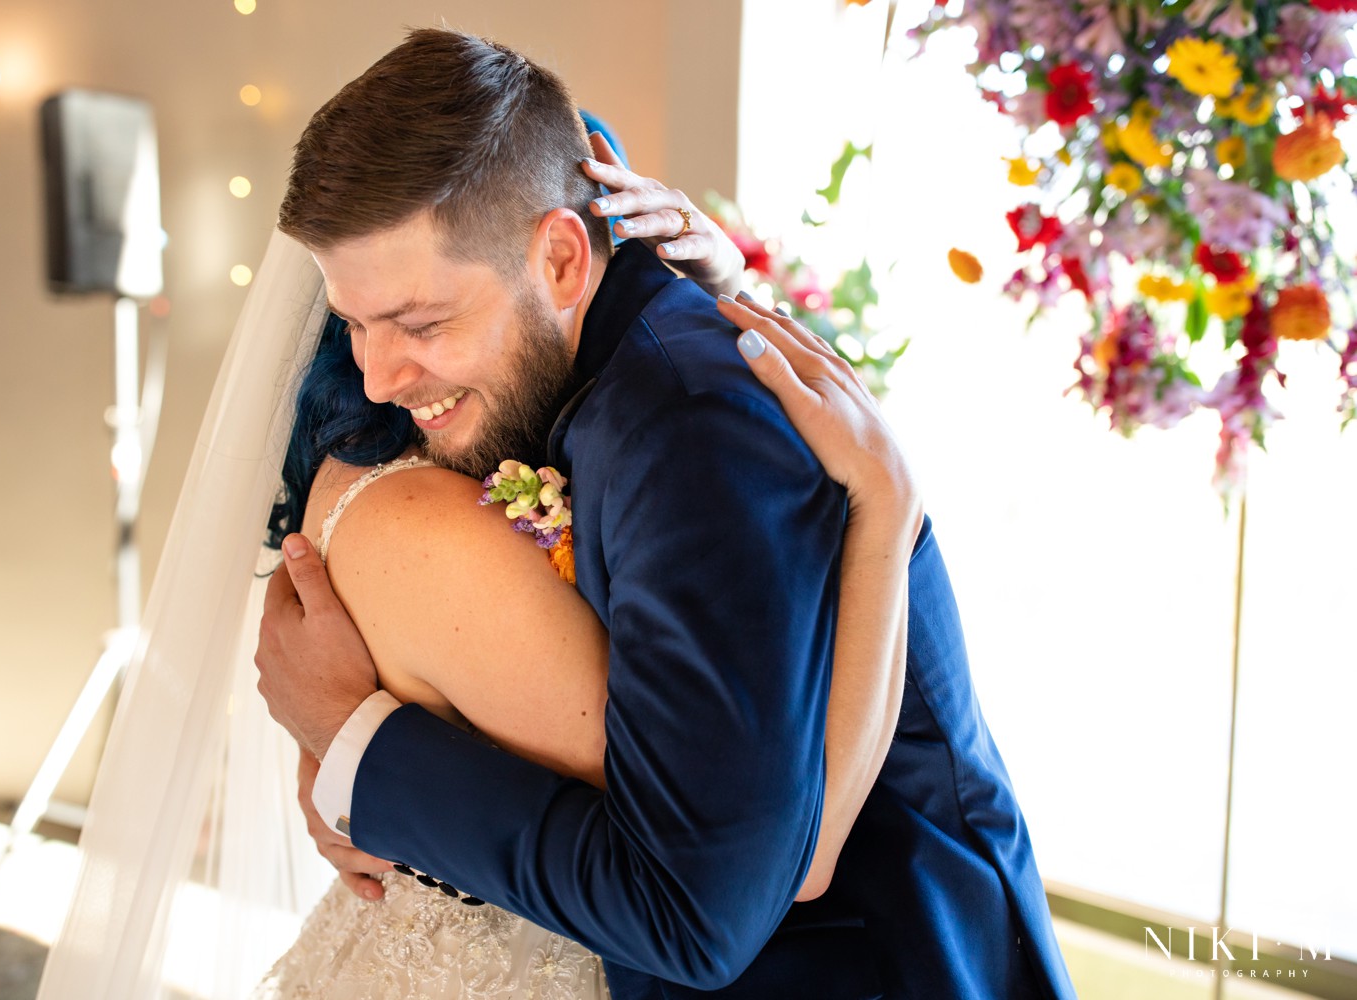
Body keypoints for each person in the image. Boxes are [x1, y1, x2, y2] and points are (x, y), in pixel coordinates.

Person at [256, 27, 1075, 1000]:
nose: (379, 377)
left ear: (563, 258)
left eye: (422, 323)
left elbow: (701, 909)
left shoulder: (686, 432)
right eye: (353, 322)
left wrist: (361, 744)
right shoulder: (590, 377)